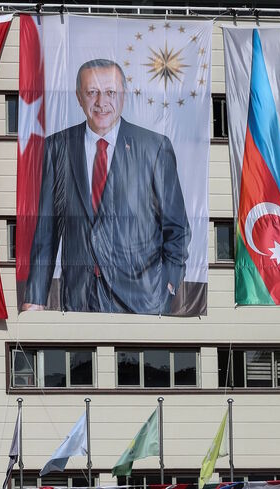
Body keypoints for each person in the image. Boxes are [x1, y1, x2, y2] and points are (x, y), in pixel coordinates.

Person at [22, 59, 190, 314]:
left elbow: (176, 227)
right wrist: (35, 297)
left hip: (143, 300)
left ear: (123, 96)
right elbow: (47, 231)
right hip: (79, 298)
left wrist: (167, 284)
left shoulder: (154, 148)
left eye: (110, 92)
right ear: (79, 97)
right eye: (92, 93)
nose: (101, 102)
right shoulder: (58, 147)